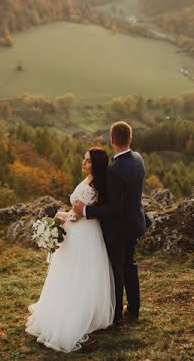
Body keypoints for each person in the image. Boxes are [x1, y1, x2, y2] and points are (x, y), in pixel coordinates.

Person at [25, 147, 115, 352]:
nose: (83, 163)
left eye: (88, 161)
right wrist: (63, 216)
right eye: (84, 159)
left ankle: (75, 316)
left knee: (78, 273)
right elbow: (77, 213)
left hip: (84, 234)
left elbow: (81, 213)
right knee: (73, 272)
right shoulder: (91, 181)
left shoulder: (95, 186)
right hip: (81, 232)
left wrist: (67, 216)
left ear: (97, 164)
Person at [72, 121, 148, 327]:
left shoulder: (114, 170)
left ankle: (116, 317)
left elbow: (114, 207)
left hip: (118, 228)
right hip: (135, 223)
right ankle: (133, 309)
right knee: (130, 265)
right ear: (130, 138)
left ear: (112, 140)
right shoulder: (138, 159)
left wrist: (85, 211)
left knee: (116, 270)